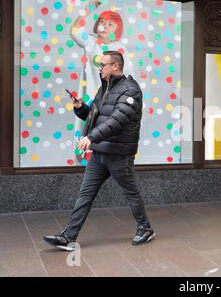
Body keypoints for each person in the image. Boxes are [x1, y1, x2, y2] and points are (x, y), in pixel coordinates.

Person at [43, 51, 155, 250]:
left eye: (103, 65)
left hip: (119, 154)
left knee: (130, 192)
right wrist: (80, 107)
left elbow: (118, 120)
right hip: (99, 153)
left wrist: (91, 137)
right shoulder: (104, 89)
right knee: (85, 194)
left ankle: (145, 228)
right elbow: (96, 116)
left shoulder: (131, 90)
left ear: (115, 66)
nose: (100, 69)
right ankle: (69, 236)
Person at [70, 0, 134, 163]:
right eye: (102, 22)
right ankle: (83, 162)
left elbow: (128, 77)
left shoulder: (120, 49)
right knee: (84, 135)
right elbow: (74, 30)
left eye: (110, 24)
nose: (104, 26)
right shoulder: (90, 42)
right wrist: (87, 10)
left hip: (109, 101)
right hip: (90, 98)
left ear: (117, 29)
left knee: (105, 134)